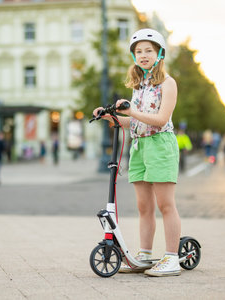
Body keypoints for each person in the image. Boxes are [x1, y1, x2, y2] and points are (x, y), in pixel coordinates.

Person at [93, 28, 181, 277]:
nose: (143, 55)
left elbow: (161, 119)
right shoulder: (139, 86)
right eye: (139, 51)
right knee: (144, 207)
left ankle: (172, 257)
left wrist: (130, 112)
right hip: (139, 146)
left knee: (165, 204)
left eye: (148, 51)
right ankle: (144, 256)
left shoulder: (168, 83)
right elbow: (133, 123)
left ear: (159, 53)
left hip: (160, 144)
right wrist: (110, 116)